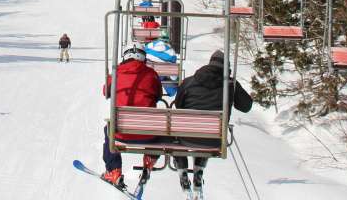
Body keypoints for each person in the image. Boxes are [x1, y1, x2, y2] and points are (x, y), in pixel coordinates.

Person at [171, 50, 253, 194]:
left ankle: (183, 171)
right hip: (215, 139)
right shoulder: (230, 85)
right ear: (226, 68)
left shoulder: (189, 82)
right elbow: (246, 107)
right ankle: (199, 171)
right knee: (206, 134)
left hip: (185, 137)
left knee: (179, 134)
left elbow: (179, 104)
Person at [100, 45, 162, 189]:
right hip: (149, 134)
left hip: (121, 133)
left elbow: (106, 92)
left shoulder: (116, 74)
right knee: (163, 130)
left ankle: (113, 170)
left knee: (108, 130)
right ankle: (150, 158)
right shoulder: (151, 74)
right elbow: (158, 94)